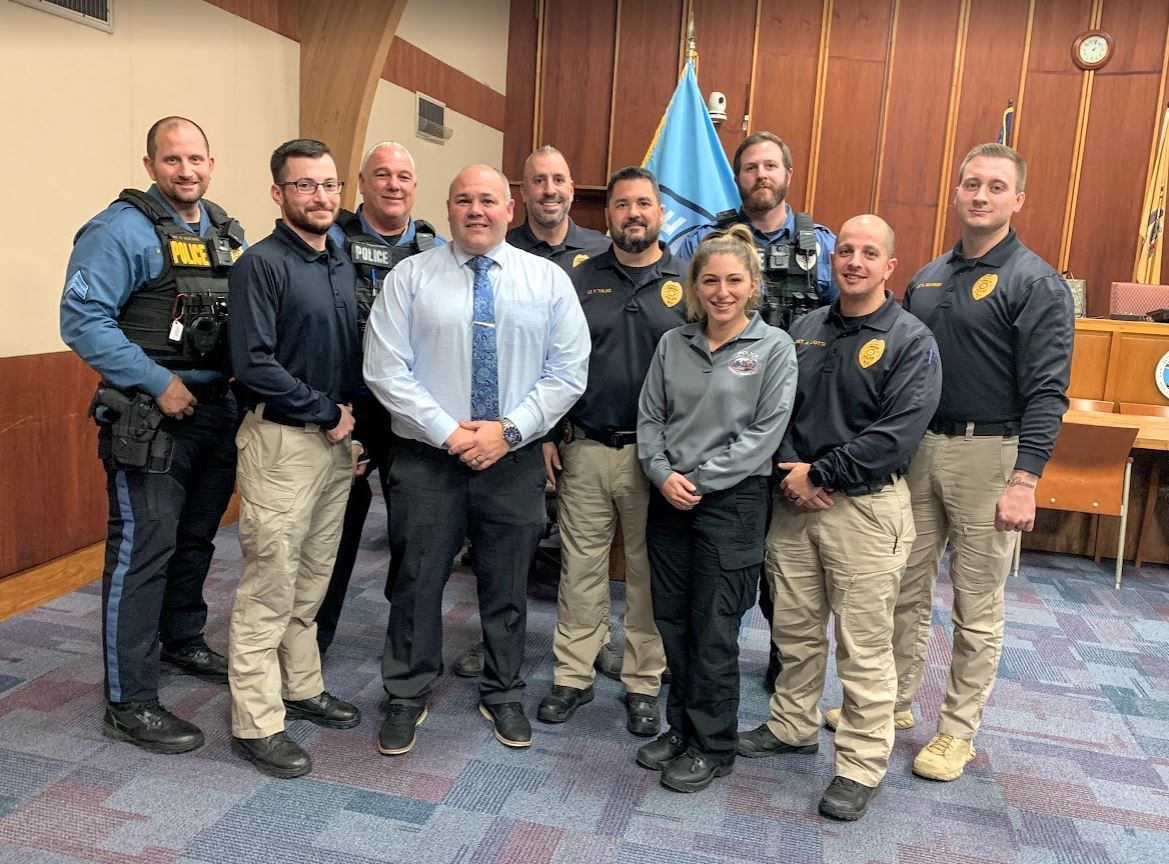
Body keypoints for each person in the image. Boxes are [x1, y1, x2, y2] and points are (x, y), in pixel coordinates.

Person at [364, 164, 589, 755]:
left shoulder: (546, 281)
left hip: (511, 459)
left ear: (509, 209)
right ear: (449, 207)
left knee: (507, 582)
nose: (476, 210)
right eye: (463, 199)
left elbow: (568, 373)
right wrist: (449, 433)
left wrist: (508, 431)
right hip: (427, 458)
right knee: (415, 580)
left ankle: (503, 690)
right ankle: (407, 693)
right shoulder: (410, 278)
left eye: (488, 200)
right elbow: (385, 369)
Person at [736, 215, 941, 821]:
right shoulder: (803, 328)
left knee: (863, 645)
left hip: (866, 511)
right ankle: (792, 725)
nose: (853, 260)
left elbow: (897, 436)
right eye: (845, 250)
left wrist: (820, 475)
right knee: (794, 633)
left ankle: (859, 763)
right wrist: (789, 470)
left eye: (868, 252)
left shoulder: (911, 340)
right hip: (794, 503)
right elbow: (769, 409)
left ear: (889, 266)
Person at [60, 116, 244, 754]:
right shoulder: (121, 229)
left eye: (196, 158)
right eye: (172, 160)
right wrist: (155, 381)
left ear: (211, 164)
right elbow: (82, 319)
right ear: (150, 165)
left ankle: (182, 639)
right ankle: (129, 702)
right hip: (151, 415)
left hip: (217, 413)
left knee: (195, 541)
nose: (186, 171)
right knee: (143, 553)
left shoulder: (223, 229)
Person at [892, 143, 1074, 782]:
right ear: (957, 190)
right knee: (902, 589)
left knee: (975, 604)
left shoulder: (1035, 282)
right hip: (920, 452)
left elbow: (1049, 391)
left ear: (1017, 199)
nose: (980, 195)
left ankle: (955, 732)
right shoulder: (930, 274)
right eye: (971, 183)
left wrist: (1026, 478)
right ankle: (893, 704)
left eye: (996, 187)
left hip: (991, 455)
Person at [635, 225, 797, 793]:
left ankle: (714, 744)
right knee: (673, 621)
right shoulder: (671, 344)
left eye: (734, 280)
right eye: (710, 280)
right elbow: (650, 418)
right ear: (695, 286)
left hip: (732, 504)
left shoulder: (774, 348)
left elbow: (763, 435)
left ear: (752, 286)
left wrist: (697, 480)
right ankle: (680, 728)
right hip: (669, 498)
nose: (722, 291)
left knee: (713, 627)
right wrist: (661, 474)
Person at [673, 130, 837, 688]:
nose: (760, 175)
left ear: (788, 174)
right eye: (749, 167)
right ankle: (700, 651)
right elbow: (684, 320)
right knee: (714, 552)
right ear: (737, 176)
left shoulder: (824, 245)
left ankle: (783, 660)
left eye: (771, 165)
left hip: (799, 426)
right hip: (723, 419)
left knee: (785, 563)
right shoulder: (704, 241)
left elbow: (846, 323)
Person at [226, 138, 363, 779]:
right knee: (268, 585)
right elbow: (253, 363)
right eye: (305, 185)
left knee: (311, 578)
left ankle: (301, 686)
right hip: (282, 442)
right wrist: (325, 411)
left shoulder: (337, 258)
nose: (321, 197)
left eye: (330, 185)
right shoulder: (261, 263)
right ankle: (256, 721)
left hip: (335, 444)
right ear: (278, 194)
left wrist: (349, 426)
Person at [452, 145, 611, 680]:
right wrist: (534, 431)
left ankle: (592, 639)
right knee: (504, 543)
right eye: (538, 179)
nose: (550, 189)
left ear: (572, 187)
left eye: (559, 179)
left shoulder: (601, 250)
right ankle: (490, 640)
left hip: (587, 420)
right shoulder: (497, 245)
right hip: (519, 429)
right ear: (519, 197)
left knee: (589, 546)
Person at [536, 166, 682, 737]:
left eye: (643, 203)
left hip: (657, 459)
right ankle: (572, 675)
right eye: (622, 205)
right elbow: (553, 361)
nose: (633, 214)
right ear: (609, 215)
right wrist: (549, 431)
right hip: (586, 447)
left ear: (660, 213)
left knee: (647, 574)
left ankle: (644, 682)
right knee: (581, 569)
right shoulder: (578, 278)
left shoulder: (687, 280)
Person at [315, 141, 445, 655]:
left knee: (416, 530)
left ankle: (405, 639)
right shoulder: (329, 242)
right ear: (362, 184)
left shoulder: (436, 251)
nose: (394, 185)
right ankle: (313, 642)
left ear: (415, 187)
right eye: (382, 175)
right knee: (332, 529)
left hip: (414, 410)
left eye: (404, 177)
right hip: (346, 406)